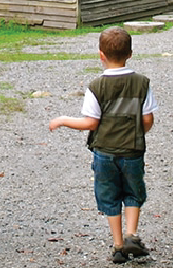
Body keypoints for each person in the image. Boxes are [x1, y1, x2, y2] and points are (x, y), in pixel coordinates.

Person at [49, 26, 157, 264]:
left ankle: (118, 245)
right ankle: (132, 233)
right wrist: (137, 132)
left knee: (109, 197)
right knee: (132, 192)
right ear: (130, 53)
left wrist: (64, 120)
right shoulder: (142, 83)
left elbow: (91, 122)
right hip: (133, 151)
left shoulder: (96, 86)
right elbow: (148, 119)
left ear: (100, 54)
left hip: (104, 152)